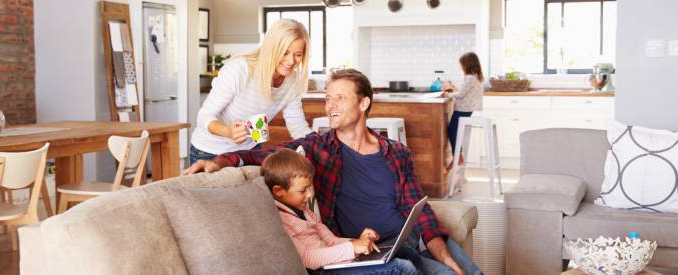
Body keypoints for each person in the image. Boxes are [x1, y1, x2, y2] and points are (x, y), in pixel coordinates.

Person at [185, 69, 483, 275]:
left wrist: (440, 250)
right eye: (328, 98)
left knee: (467, 270)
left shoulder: (396, 152)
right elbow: (264, 153)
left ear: (363, 103)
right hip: (372, 248)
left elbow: (418, 207)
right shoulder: (319, 147)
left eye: (340, 97)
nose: (330, 106)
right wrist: (222, 160)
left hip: (411, 238)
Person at [261, 148, 421, 274]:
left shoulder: (305, 212)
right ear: (278, 191)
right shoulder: (280, 220)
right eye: (303, 191)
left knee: (403, 251)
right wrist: (352, 248)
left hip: (335, 264)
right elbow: (308, 259)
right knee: (402, 268)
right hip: (322, 271)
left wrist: (358, 242)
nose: (310, 195)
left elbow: (331, 241)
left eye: (309, 188)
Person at [189, 19, 313, 165]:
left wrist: (320, 144)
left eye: (298, 54)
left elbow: (297, 124)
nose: (291, 61)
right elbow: (204, 117)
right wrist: (229, 132)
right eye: (284, 52)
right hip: (211, 152)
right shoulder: (239, 70)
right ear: (272, 48)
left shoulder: (293, 81)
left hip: (251, 150)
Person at [442, 52, 485, 169]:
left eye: (462, 64)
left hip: (463, 109)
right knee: (455, 131)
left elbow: (460, 95)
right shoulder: (477, 77)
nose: (461, 67)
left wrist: (448, 94)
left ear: (467, 65)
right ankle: (458, 155)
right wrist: (454, 88)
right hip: (471, 109)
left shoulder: (469, 77)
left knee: (451, 131)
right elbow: (465, 91)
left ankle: (457, 156)